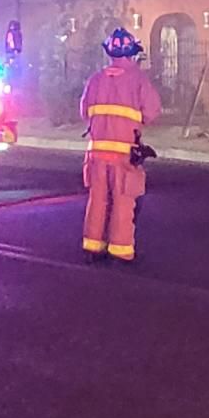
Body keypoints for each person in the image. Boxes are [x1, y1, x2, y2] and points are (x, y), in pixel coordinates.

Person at [79, 28, 162, 264]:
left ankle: (93, 247)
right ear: (132, 53)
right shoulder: (138, 80)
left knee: (97, 200)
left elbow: (84, 112)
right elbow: (152, 111)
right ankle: (120, 250)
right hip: (124, 154)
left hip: (96, 153)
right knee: (123, 201)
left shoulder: (95, 80)